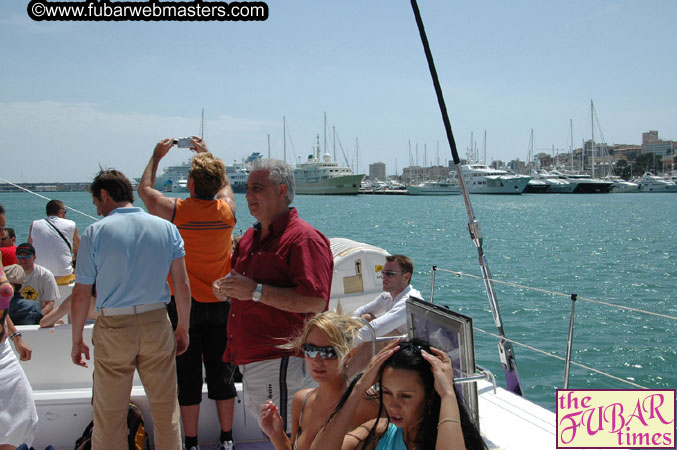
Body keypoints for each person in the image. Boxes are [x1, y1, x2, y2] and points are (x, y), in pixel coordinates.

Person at [70, 169, 191, 450]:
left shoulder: (94, 233)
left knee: (109, 416)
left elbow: (80, 294)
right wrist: (182, 327)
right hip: (156, 322)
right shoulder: (166, 228)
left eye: (96, 201)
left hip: (114, 327)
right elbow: (182, 285)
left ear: (105, 194)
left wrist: (77, 339)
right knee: (165, 412)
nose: (96, 208)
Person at [212, 158, 334, 432]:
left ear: (281, 191)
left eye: (257, 187)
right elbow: (245, 287)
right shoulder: (249, 239)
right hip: (252, 359)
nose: (248, 195)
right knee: (274, 433)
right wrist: (228, 290)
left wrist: (254, 291)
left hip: (281, 362)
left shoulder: (304, 239)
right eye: (246, 188)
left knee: (287, 435)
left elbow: (315, 300)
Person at [138, 136, 237, 450]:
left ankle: (191, 443)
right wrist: (208, 154)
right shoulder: (227, 212)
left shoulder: (177, 210)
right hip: (221, 303)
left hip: (184, 306)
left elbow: (144, 192)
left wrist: (156, 157)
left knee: (189, 376)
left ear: (190, 183)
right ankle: (227, 439)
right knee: (222, 377)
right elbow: (224, 186)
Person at [309, 339, 486, 450]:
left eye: (405, 396)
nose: (392, 406)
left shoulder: (448, 440)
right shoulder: (379, 432)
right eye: (386, 392)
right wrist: (360, 386)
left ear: (431, 395)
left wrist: (448, 393)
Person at [259, 312, 381, 450]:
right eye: (310, 350)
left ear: (348, 356)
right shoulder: (301, 401)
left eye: (327, 352)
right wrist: (277, 435)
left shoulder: (370, 405)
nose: (317, 361)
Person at [0, 205, 38, 450]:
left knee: (23, 416)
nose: (1, 234)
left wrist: (16, 337)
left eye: (2, 228)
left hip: (3, 350)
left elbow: (1, 307)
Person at [349, 255, 422, 377]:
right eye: (383, 273)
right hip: (398, 342)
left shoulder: (408, 301)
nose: (383, 277)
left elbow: (376, 328)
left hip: (412, 349)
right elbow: (361, 311)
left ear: (406, 277)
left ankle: (344, 378)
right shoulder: (387, 296)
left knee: (373, 335)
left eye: (390, 274)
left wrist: (347, 343)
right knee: (366, 317)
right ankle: (346, 364)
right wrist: (345, 330)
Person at [28, 199, 80, 306]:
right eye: (65, 212)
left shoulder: (35, 224)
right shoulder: (71, 224)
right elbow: (78, 250)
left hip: (40, 276)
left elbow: (30, 248)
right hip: (63, 275)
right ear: (61, 211)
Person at [15, 243, 59, 318]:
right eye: (20, 256)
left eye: (27, 256)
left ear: (34, 257)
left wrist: (36, 317)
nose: (23, 259)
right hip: (17, 315)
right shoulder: (11, 275)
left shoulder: (45, 275)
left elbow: (50, 304)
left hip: (41, 315)